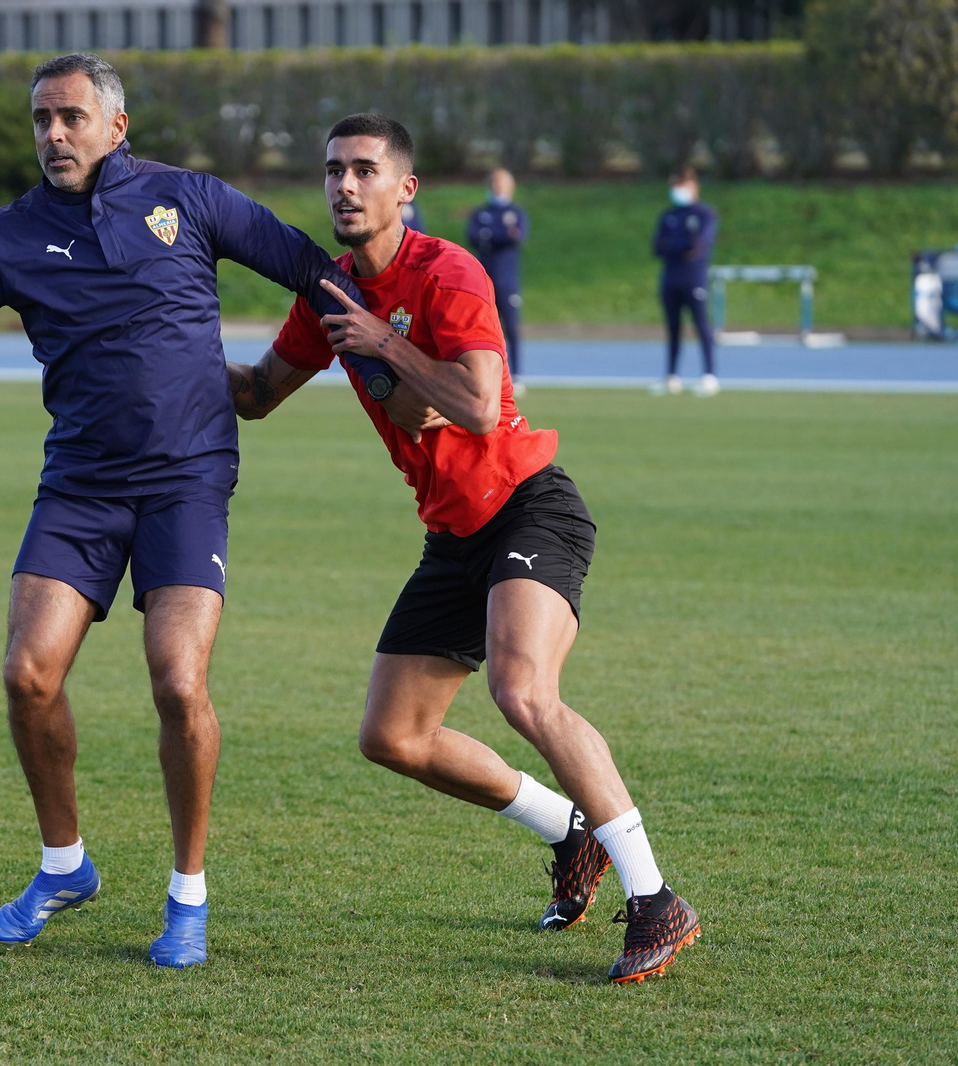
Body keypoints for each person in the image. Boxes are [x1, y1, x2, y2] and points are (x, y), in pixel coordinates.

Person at [0, 53, 371, 970]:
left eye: (70, 117)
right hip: (82, 485)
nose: (53, 134)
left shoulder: (191, 199)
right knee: (27, 674)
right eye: (41, 120)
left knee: (178, 683)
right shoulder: (8, 238)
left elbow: (308, 267)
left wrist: (399, 331)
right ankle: (65, 864)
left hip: (188, 481)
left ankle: (187, 896)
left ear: (115, 125)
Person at [226, 113, 701, 984]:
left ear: (404, 188)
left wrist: (383, 343)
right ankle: (568, 831)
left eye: (364, 169)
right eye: (332, 170)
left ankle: (657, 899)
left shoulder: (448, 272)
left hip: (529, 508)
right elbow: (257, 395)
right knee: (393, 736)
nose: (343, 185)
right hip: (452, 536)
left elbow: (482, 407)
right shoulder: (326, 293)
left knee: (520, 688)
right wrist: (162, 351)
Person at [652, 166, 719, 396]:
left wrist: (676, 247)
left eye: (680, 186)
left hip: (694, 278)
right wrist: (680, 247)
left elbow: (697, 247)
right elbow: (657, 247)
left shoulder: (705, 214)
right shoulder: (668, 215)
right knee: (672, 329)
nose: (676, 190)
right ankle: (671, 376)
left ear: (693, 186)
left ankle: (709, 375)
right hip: (670, 278)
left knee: (702, 326)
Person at [465, 168, 527, 391]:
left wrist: (490, 236)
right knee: (483, 329)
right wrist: (500, 235)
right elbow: (473, 237)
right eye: (494, 184)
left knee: (511, 328)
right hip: (483, 281)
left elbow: (517, 236)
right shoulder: (481, 212)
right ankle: (483, 376)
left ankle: (516, 376)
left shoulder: (516, 212)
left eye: (502, 184)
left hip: (508, 280)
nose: (498, 188)